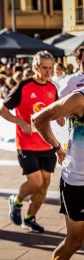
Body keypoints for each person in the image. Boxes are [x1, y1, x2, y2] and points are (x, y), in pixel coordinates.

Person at [0, 50, 63, 233]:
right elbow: (1, 110)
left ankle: (30, 218)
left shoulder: (52, 88)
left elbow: (55, 109)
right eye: (44, 67)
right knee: (35, 183)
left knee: (45, 184)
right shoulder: (23, 86)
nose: (48, 71)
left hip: (46, 143)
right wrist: (20, 122)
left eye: (50, 68)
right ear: (35, 67)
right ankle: (16, 200)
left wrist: (59, 117)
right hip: (26, 144)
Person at [32, 89, 84, 260]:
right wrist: (57, 147)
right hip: (78, 182)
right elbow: (38, 119)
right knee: (75, 241)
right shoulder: (79, 99)